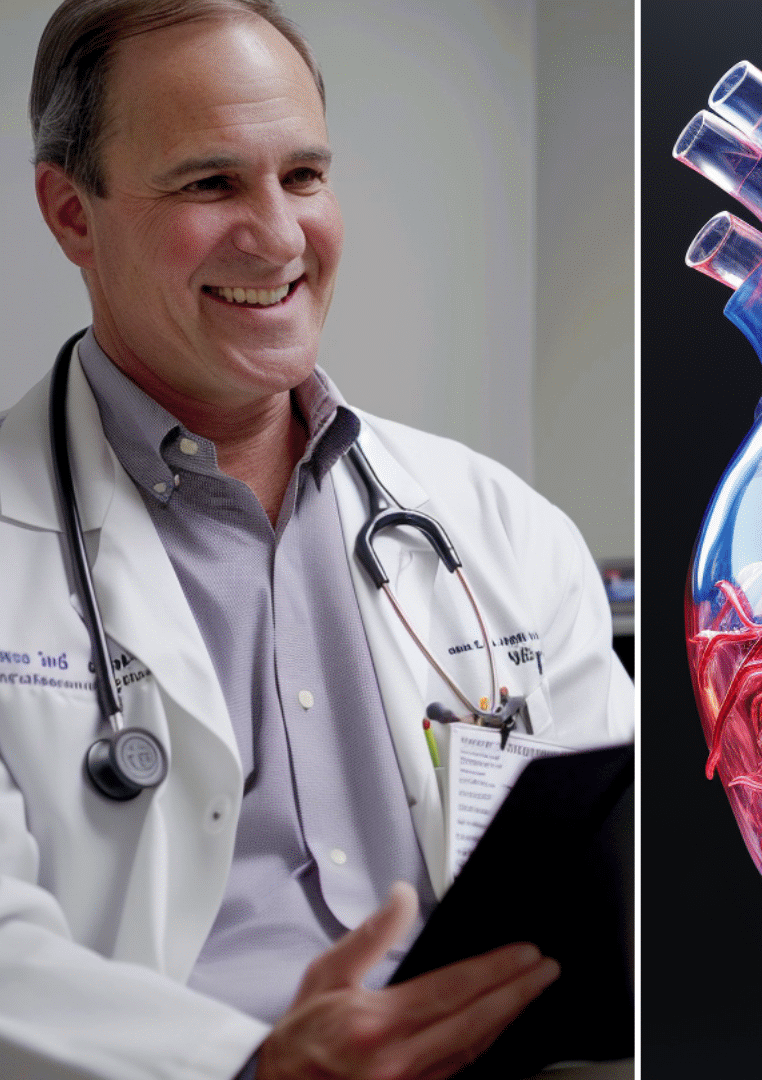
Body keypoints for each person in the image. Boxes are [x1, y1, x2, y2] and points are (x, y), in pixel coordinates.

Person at [0, 1, 634, 1077]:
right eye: (210, 183)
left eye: (302, 176)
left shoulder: (498, 526)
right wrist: (254, 1065)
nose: (281, 237)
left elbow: (623, 868)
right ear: (71, 215)